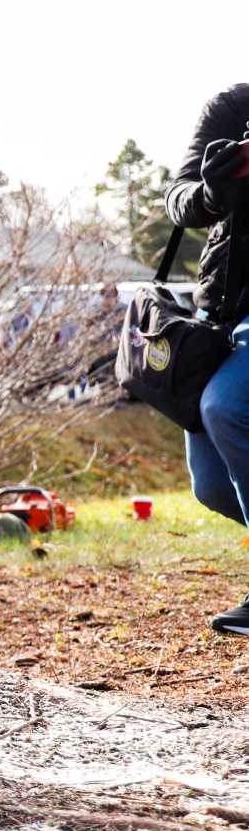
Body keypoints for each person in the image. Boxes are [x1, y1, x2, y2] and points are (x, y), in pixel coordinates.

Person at [166, 82, 249, 634]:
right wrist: (213, 193)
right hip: (223, 309)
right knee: (212, 484)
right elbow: (178, 198)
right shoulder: (234, 107)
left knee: (226, 407)